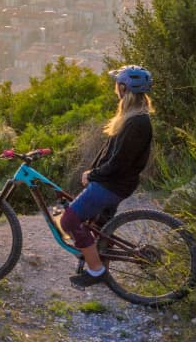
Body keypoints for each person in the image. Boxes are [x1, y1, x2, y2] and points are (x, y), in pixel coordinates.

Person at [62, 65, 154, 287]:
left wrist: (93, 175)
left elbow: (118, 163)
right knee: (101, 227)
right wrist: (93, 173)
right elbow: (111, 155)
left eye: (117, 84)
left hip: (112, 184)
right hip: (116, 183)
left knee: (69, 220)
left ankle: (97, 271)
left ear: (123, 88)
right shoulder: (132, 117)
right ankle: (101, 265)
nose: (115, 88)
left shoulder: (136, 122)